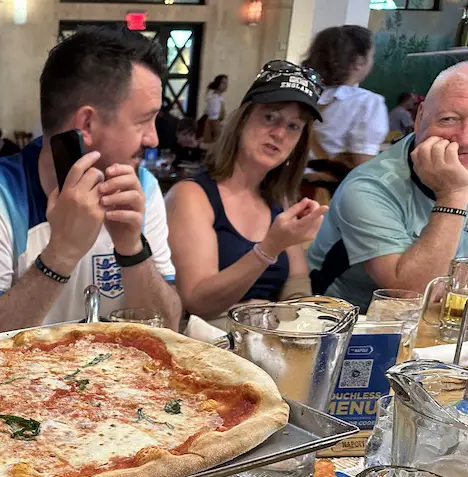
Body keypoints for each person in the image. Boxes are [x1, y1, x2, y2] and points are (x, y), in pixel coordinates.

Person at [0, 25, 181, 341]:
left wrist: (131, 248)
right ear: (87, 124)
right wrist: (62, 251)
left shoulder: (142, 187)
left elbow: (169, 332)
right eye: (142, 121)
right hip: (10, 385)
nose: (153, 138)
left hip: (116, 383)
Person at [166, 63, 327, 322]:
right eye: (270, 117)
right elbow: (197, 301)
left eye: (293, 126)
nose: (279, 134)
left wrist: (285, 318)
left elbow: (298, 282)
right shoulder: (191, 195)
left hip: (270, 341)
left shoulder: (280, 198)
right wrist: (268, 249)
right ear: (242, 120)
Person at [308, 61, 468, 312]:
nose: (464, 139)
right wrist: (453, 195)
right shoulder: (369, 186)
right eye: (449, 119)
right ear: (420, 116)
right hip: (348, 325)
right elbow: (412, 295)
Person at [302, 25, 387, 168]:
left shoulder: (302, 92)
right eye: (371, 56)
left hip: (287, 183)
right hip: (330, 187)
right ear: (359, 61)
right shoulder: (367, 103)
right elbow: (362, 167)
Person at [202, 75, 229, 144]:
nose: (226, 85)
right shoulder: (214, 98)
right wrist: (218, 132)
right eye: (223, 83)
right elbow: (213, 117)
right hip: (214, 125)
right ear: (218, 83)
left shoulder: (219, 97)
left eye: (226, 83)